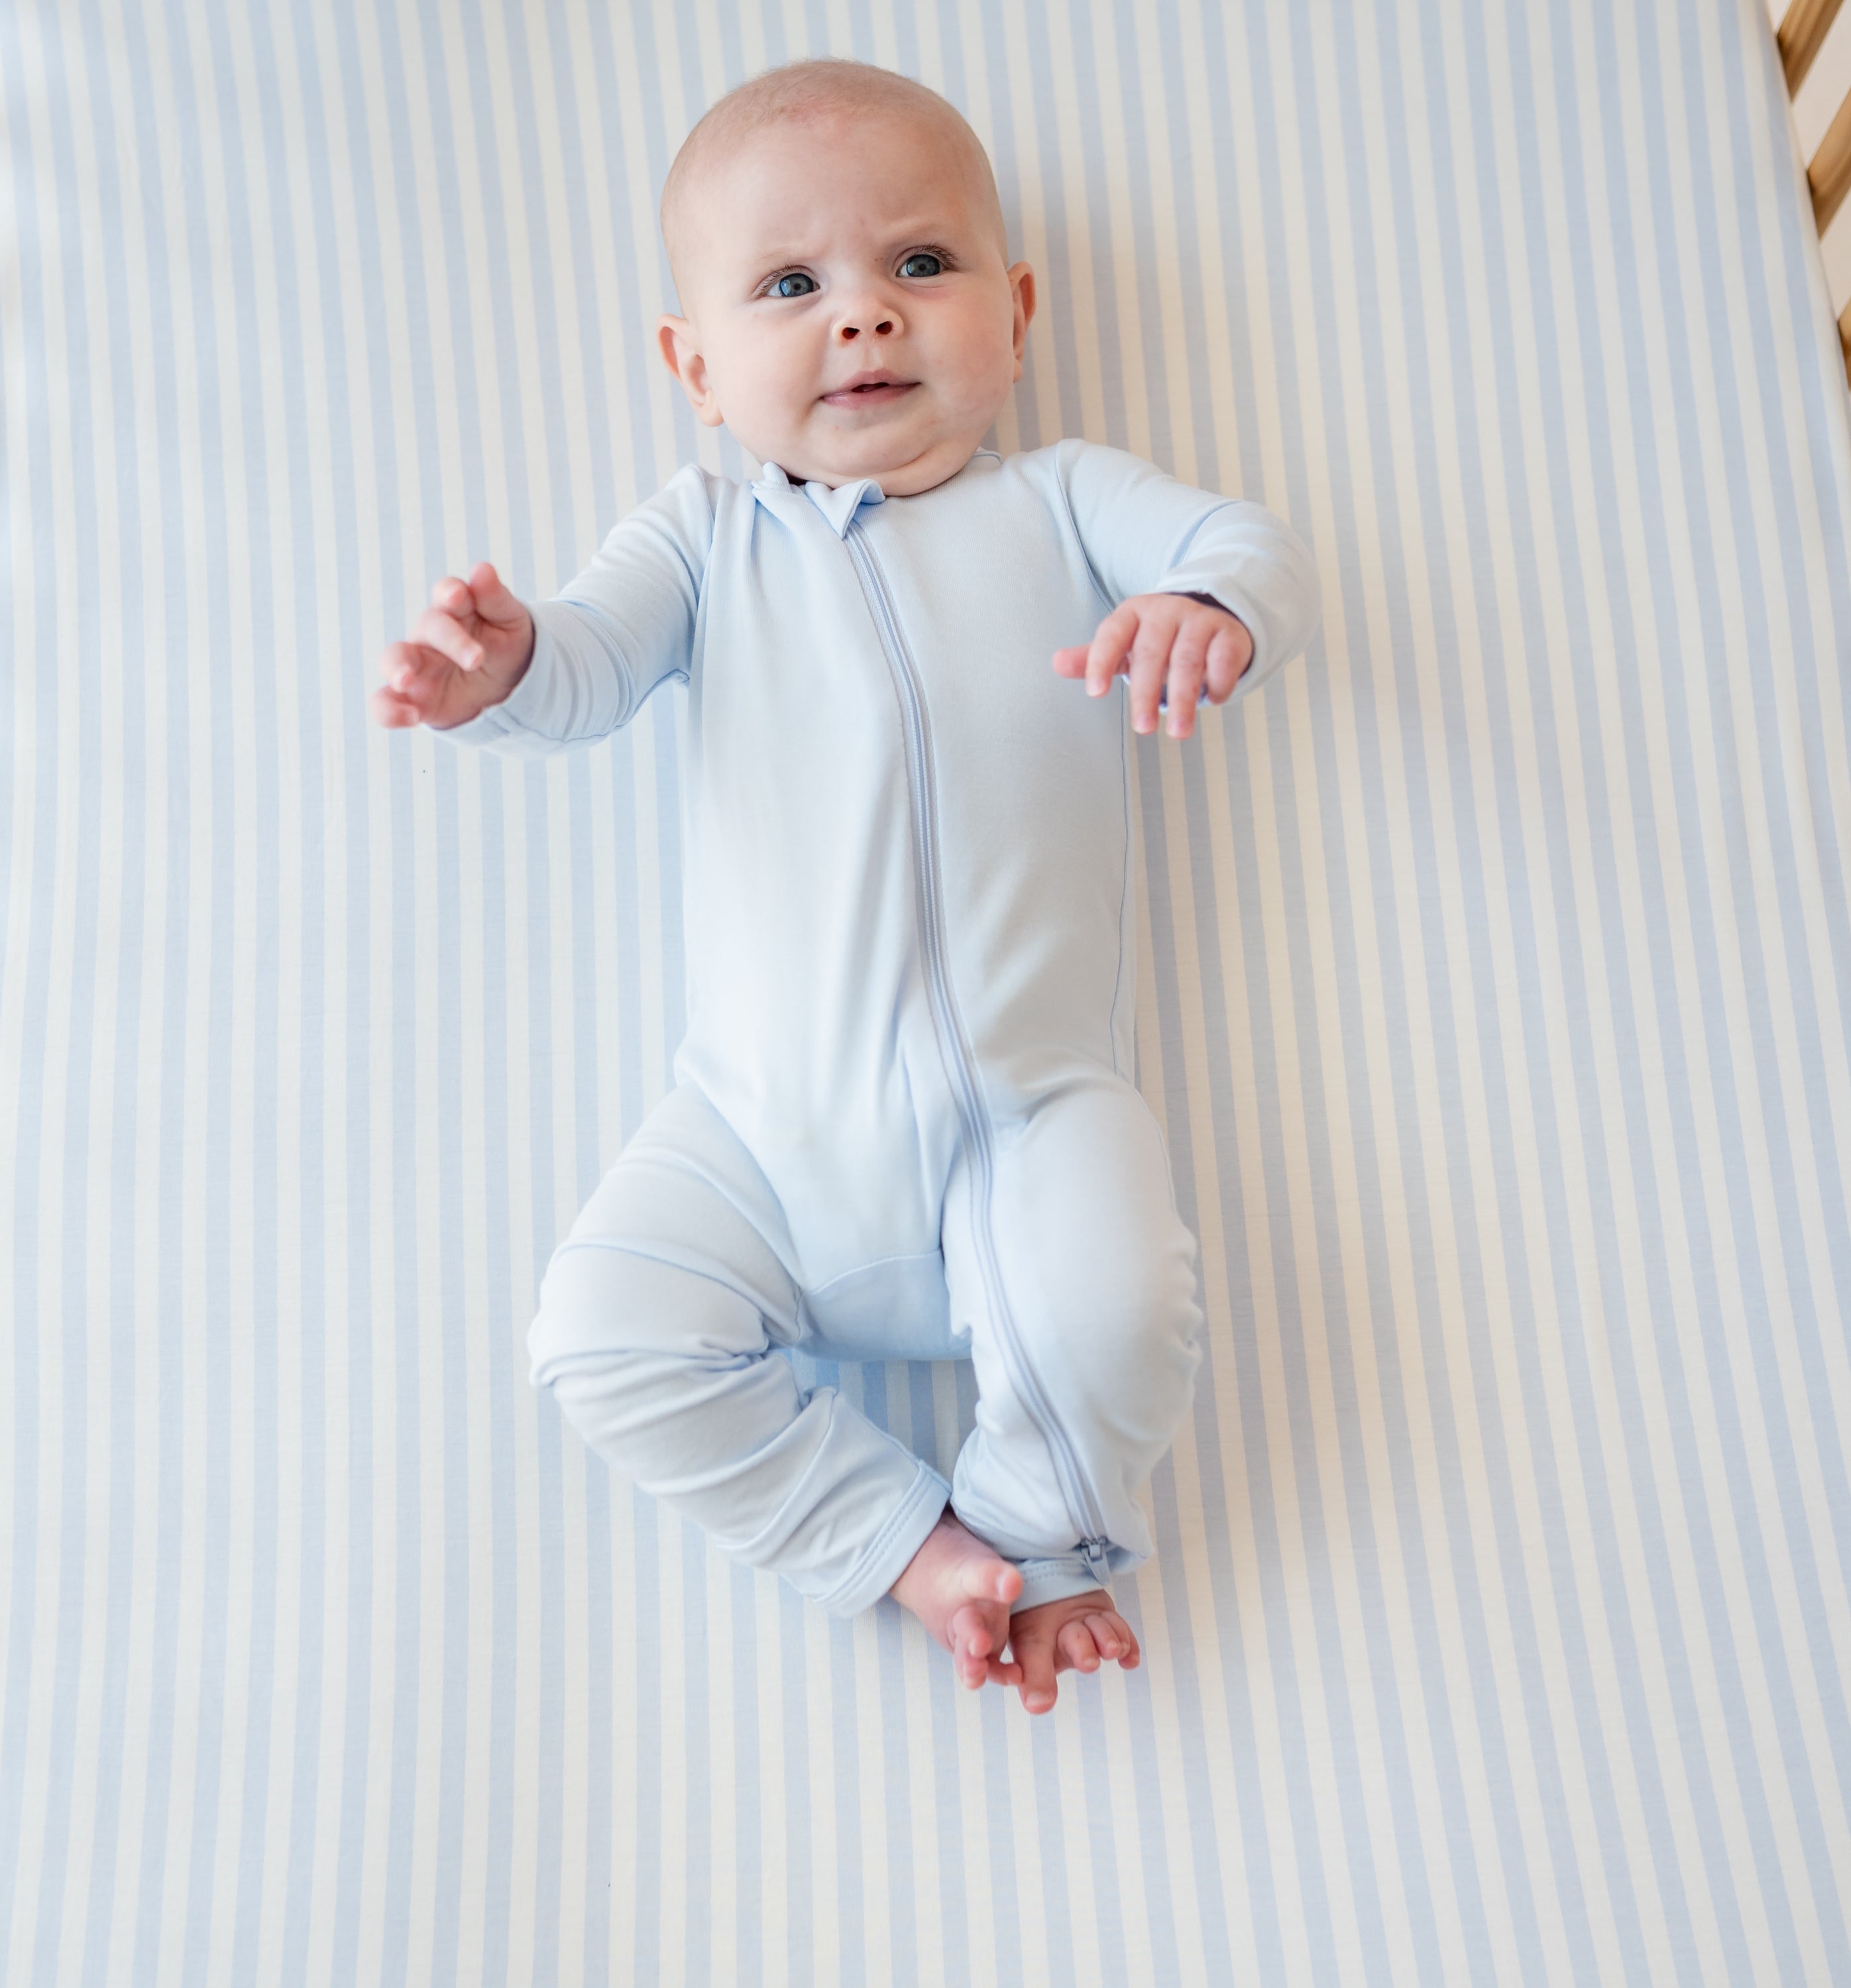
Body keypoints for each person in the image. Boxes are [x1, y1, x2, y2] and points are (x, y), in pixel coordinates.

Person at [370, 57, 1320, 1715]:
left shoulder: (1065, 502)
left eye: (921, 266)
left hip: (1031, 1116)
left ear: (1015, 313)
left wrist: (1211, 610)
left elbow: (1245, 539)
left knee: (1124, 1301)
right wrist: (507, 666)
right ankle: (902, 1545)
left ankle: (1037, 1533)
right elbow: (592, 667)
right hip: (756, 1134)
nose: (866, 318)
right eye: (792, 287)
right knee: (598, 1337)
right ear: (697, 366)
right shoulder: (703, 541)